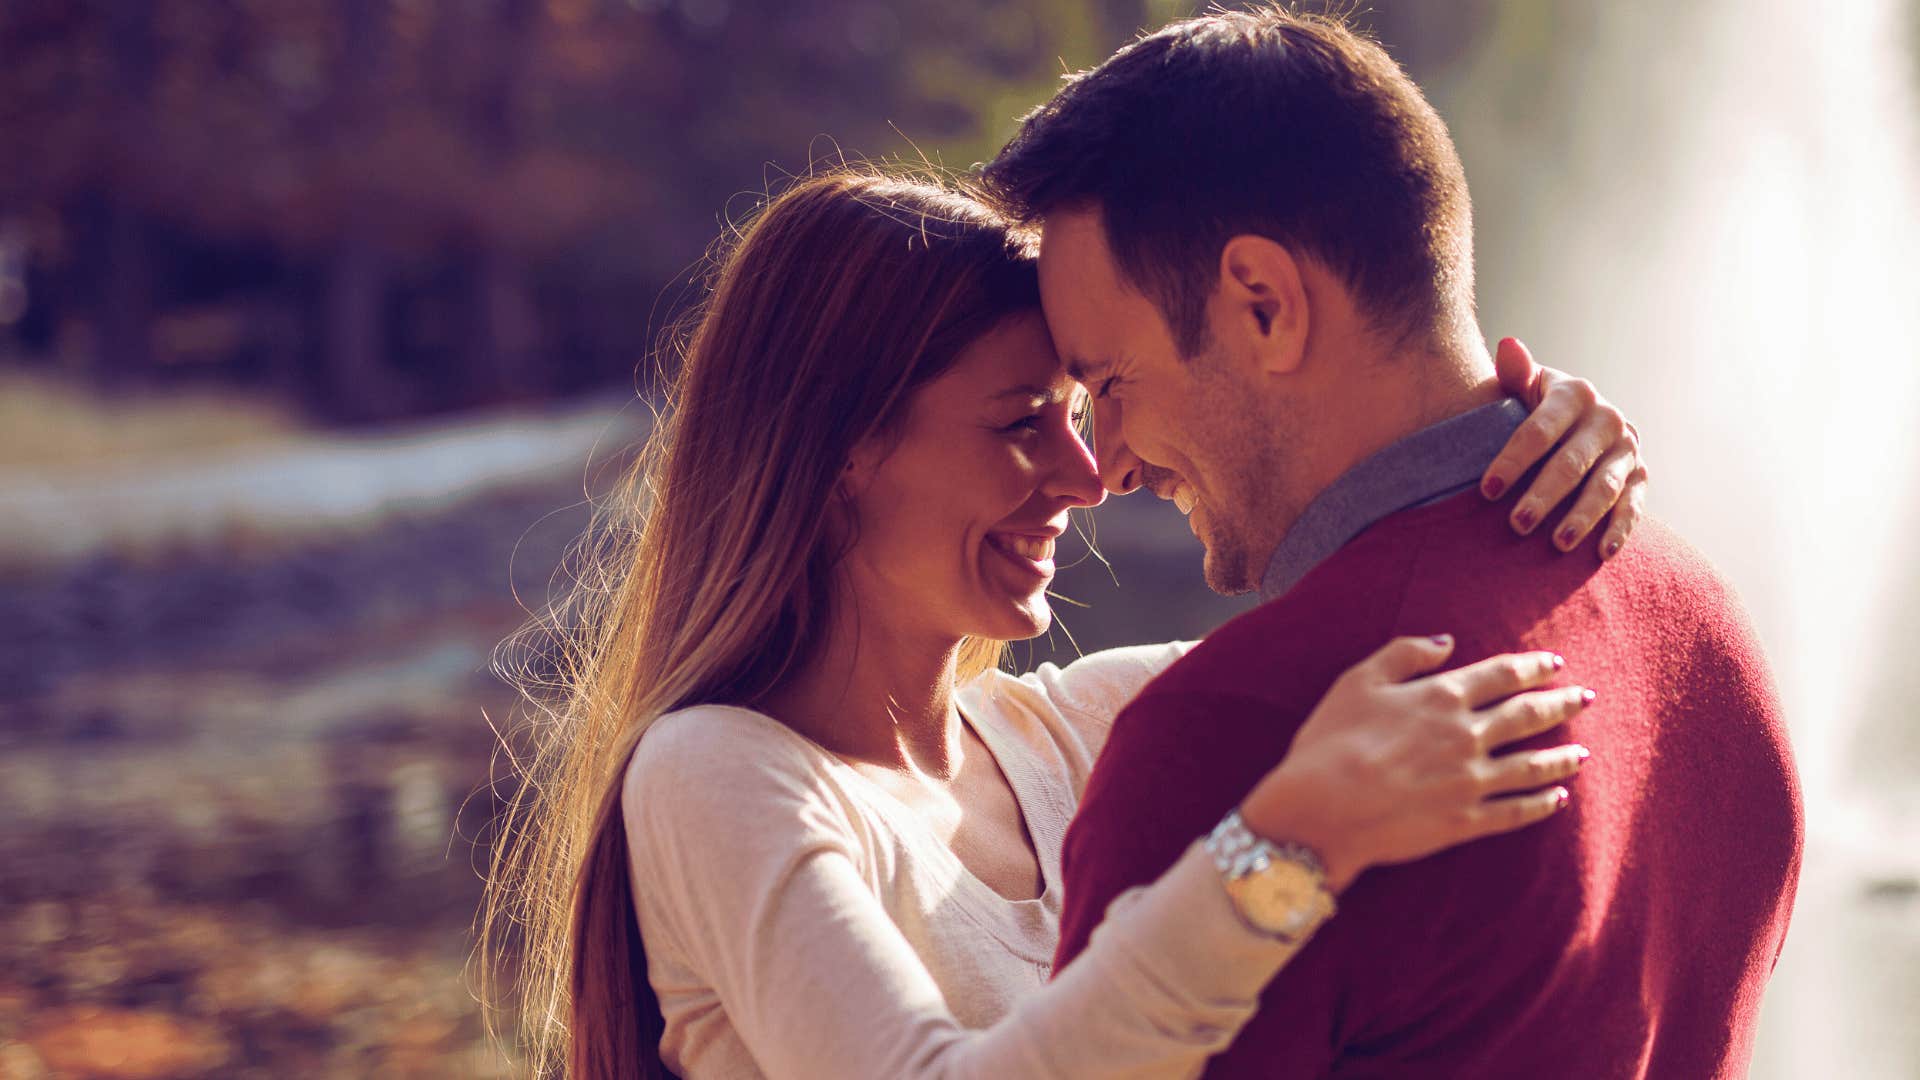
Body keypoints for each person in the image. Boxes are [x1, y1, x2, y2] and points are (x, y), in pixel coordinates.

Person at [480, 170, 1649, 1079]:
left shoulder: (1095, 724)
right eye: (1018, 425)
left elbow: (1386, 610)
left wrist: (1527, 440)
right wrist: (1287, 847)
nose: (1088, 475)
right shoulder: (717, 776)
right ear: (843, 455)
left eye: (1083, 414)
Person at [980, 8, 1803, 1078]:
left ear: (1264, 306)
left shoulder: (1238, 742)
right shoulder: (1711, 634)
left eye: (1110, 385)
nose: (1112, 465)